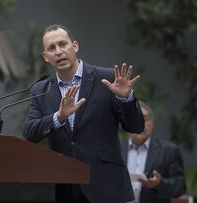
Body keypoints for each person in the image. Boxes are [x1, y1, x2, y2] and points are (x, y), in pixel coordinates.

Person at [23, 24, 145, 203]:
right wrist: (59, 117)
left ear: (75, 46)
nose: (58, 51)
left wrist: (126, 98)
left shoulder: (107, 79)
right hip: (65, 190)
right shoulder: (42, 90)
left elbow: (135, 127)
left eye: (63, 44)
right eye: (51, 48)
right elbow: (30, 132)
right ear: (46, 57)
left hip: (107, 187)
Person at [121, 101, 186, 203]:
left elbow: (180, 187)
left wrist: (159, 183)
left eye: (145, 119)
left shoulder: (168, 151)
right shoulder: (115, 150)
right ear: (127, 124)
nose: (140, 123)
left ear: (152, 124)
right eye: (135, 118)